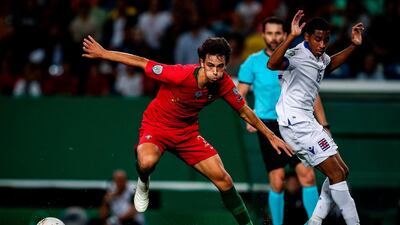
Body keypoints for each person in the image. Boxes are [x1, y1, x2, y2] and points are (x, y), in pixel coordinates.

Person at [82, 35, 293, 225]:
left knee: (225, 180)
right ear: (202, 62)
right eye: (210, 65)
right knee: (146, 163)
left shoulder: (225, 84)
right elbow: (142, 62)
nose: (215, 72)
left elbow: (245, 111)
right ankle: (143, 181)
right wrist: (104, 53)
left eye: (220, 66)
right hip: (157, 127)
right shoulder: (179, 74)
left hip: (187, 134)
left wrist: (271, 135)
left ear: (226, 65)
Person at [267, 10, 364, 225]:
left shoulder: (319, 57)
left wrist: (354, 46)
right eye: (318, 39)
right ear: (307, 37)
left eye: (326, 40)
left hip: (308, 123)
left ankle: (315, 221)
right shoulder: (296, 55)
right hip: (295, 125)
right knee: (336, 175)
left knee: (342, 171)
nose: (322, 44)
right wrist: (291, 36)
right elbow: (272, 64)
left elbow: (328, 65)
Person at [238, 16, 326, 225]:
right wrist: (248, 119)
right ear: (263, 35)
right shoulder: (252, 62)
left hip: (296, 122)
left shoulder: (297, 59)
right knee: (277, 182)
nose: (274, 37)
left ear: (285, 35)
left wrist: (324, 124)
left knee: (308, 176)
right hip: (268, 126)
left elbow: (312, 93)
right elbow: (239, 96)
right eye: (270, 33)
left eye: (278, 33)